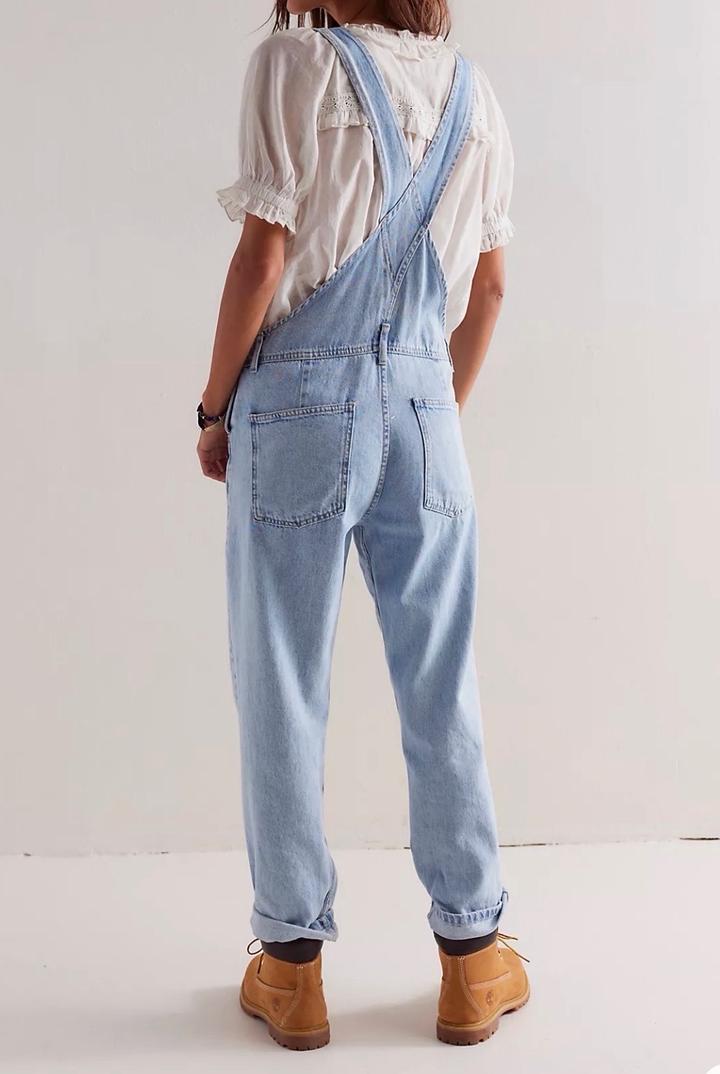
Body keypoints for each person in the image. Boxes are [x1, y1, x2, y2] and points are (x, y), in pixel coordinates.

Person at [197, 0, 529, 1050]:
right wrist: (428, 413)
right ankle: (473, 959)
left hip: (299, 400)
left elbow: (263, 257)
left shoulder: (295, 64)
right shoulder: (477, 96)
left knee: (283, 677)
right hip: (428, 407)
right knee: (442, 678)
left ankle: (292, 970)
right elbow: (490, 289)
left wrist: (213, 409)